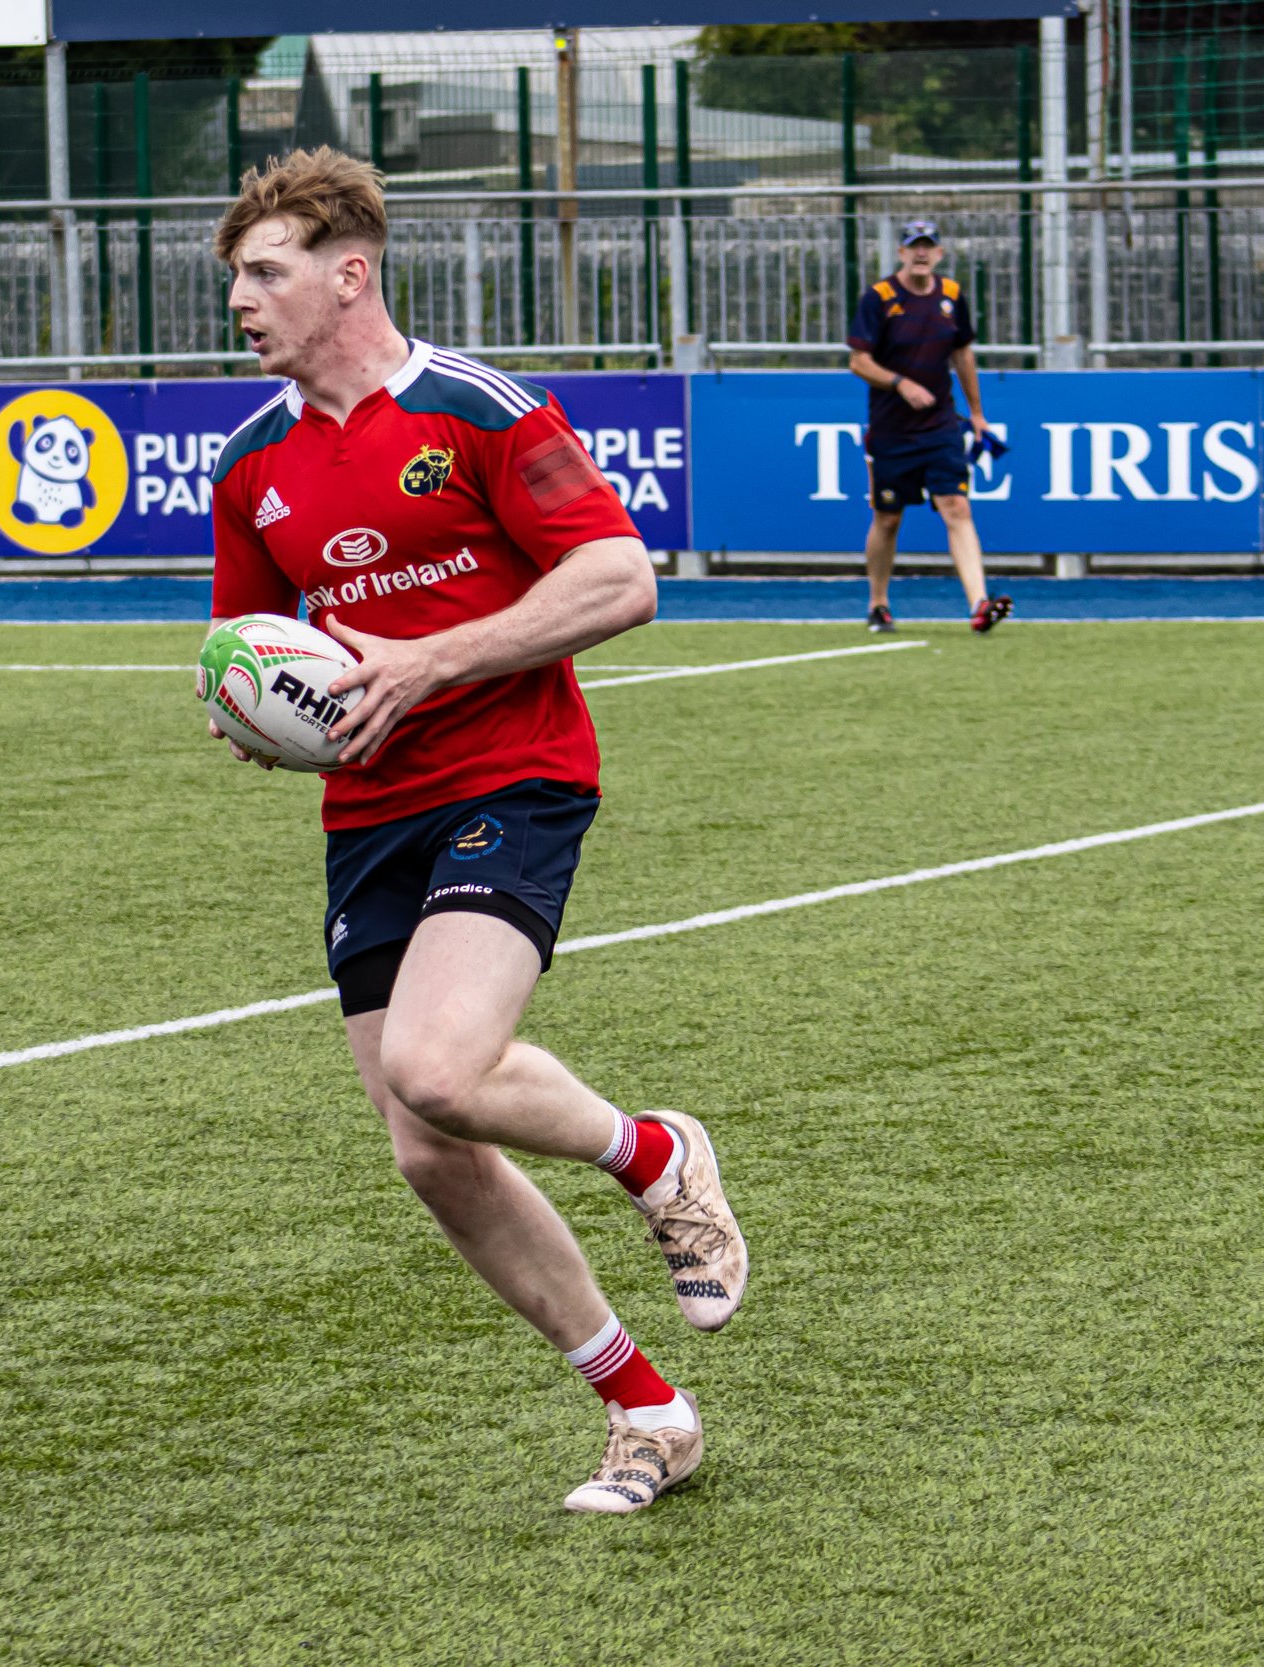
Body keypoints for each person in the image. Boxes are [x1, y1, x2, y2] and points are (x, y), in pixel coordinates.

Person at [204, 147, 749, 1516]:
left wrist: (432, 660)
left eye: (264, 273)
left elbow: (619, 578)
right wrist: (257, 710)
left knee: (439, 1069)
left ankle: (651, 1152)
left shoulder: (477, 412)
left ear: (350, 274)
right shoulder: (252, 465)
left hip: (515, 772)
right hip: (368, 809)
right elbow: (252, 647)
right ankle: (645, 1409)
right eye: (235, 281)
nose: (241, 303)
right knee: (426, 1145)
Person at [846, 219, 1010, 635]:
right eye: (913, 246)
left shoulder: (951, 294)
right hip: (891, 430)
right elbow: (858, 361)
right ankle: (878, 603)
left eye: (928, 246)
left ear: (939, 253)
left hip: (940, 426)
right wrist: (900, 384)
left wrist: (977, 413)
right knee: (888, 517)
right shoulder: (880, 297)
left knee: (957, 507)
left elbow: (962, 354)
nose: (921, 253)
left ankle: (979, 604)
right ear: (901, 253)